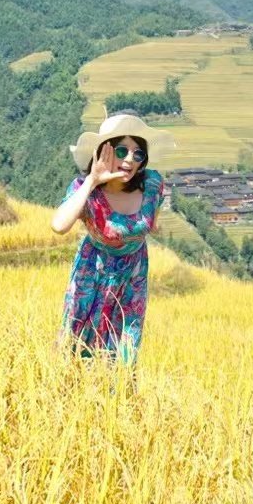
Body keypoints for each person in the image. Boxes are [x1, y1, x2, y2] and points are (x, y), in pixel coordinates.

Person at [51, 113, 174, 370]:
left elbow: (153, 220)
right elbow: (59, 225)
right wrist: (93, 181)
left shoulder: (152, 184)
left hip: (133, 275)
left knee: (124, 349)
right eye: (122, 150)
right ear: (103, 152)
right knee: (76, 341)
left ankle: (116, 402)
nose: (130, 159)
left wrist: (151, 228)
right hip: (93, 272)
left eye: (137, 154)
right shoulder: (85, 190)